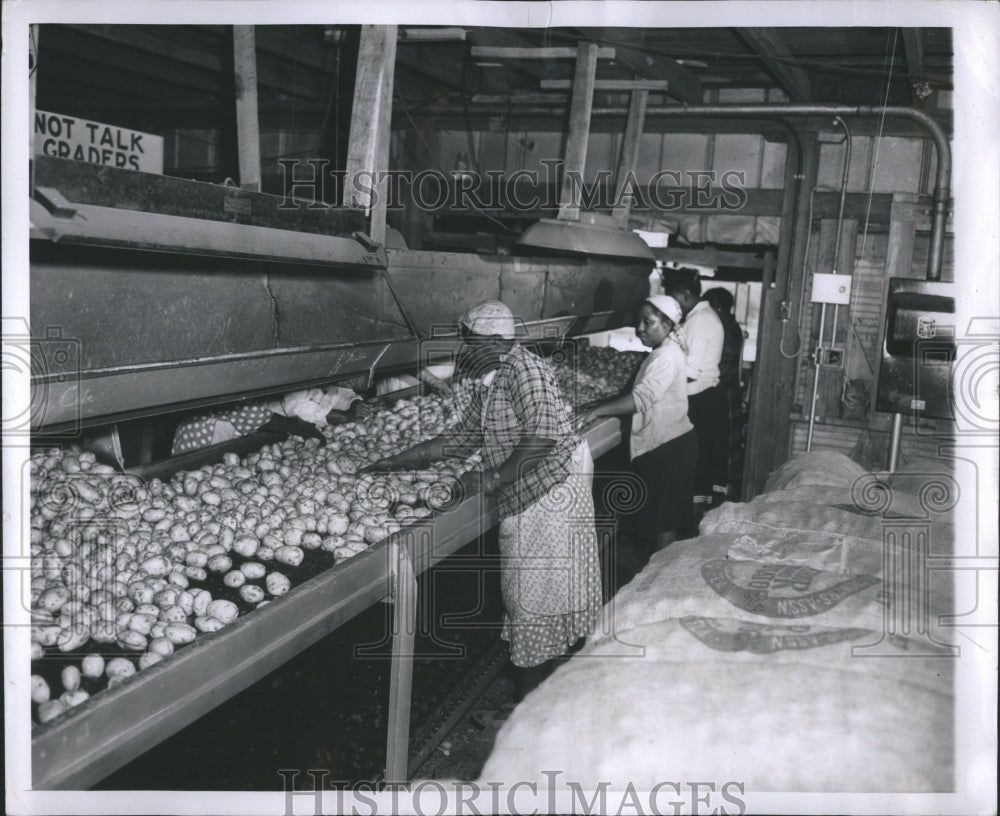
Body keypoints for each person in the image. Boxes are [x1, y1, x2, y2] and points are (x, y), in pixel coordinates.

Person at [363, 299, 602, 703]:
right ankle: (546, 687)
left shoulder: (524, 370)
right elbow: (460, 439)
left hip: (551, 488)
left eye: (469, 340)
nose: (464, 348)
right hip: (534, 483)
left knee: (535, 591)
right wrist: (390, 462)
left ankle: (534, 703)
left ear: (492, 340)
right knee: (537, 590)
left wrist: (490, 479)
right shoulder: (495, 378)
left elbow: (542, 440)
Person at [576, 295, 697, 552]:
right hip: (668, 444)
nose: (639, 328)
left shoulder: (666, 357)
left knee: (663, 524)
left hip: (669, 448)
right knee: (660, 521)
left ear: (667, 325)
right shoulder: (663, 352)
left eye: (648, 322)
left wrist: (599, 409)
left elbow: (642, 397)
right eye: (638, 321)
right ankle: (654, 579)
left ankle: (657, 584)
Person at [661, 269, 726, 522]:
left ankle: (689, 534)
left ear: (685, 295)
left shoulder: (701, 321)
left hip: (701, 402)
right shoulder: (697, 318)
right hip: (699, 399)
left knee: (697, 470)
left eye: (672, 298)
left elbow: (690, 371)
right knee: (692, 469)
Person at [171, 385, 370, 455]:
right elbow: (252, 413)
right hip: (203, 432)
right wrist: (300, 428)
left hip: (223, 423)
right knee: (191, 477)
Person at [703, 287, 746, 501]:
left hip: (723, 396)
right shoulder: (731, 326)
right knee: (725, 451)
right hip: (728, 394)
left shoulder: (725, 329)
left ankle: (720, 503)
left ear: (717, 307)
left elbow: (717, 369)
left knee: (723, 452)